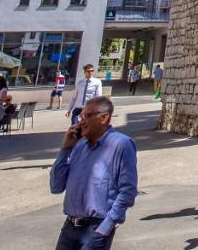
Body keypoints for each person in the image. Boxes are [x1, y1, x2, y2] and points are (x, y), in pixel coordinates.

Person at [50, 96, 138, 249]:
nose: (82, 121)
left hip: (96, 229)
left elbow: (128, 191)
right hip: (70, 226)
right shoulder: (79, 146)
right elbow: (56, 186)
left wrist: (107, 225)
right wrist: (65, 149)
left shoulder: (121, 144)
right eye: (81, 116)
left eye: (88, 116)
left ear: (104, 118)